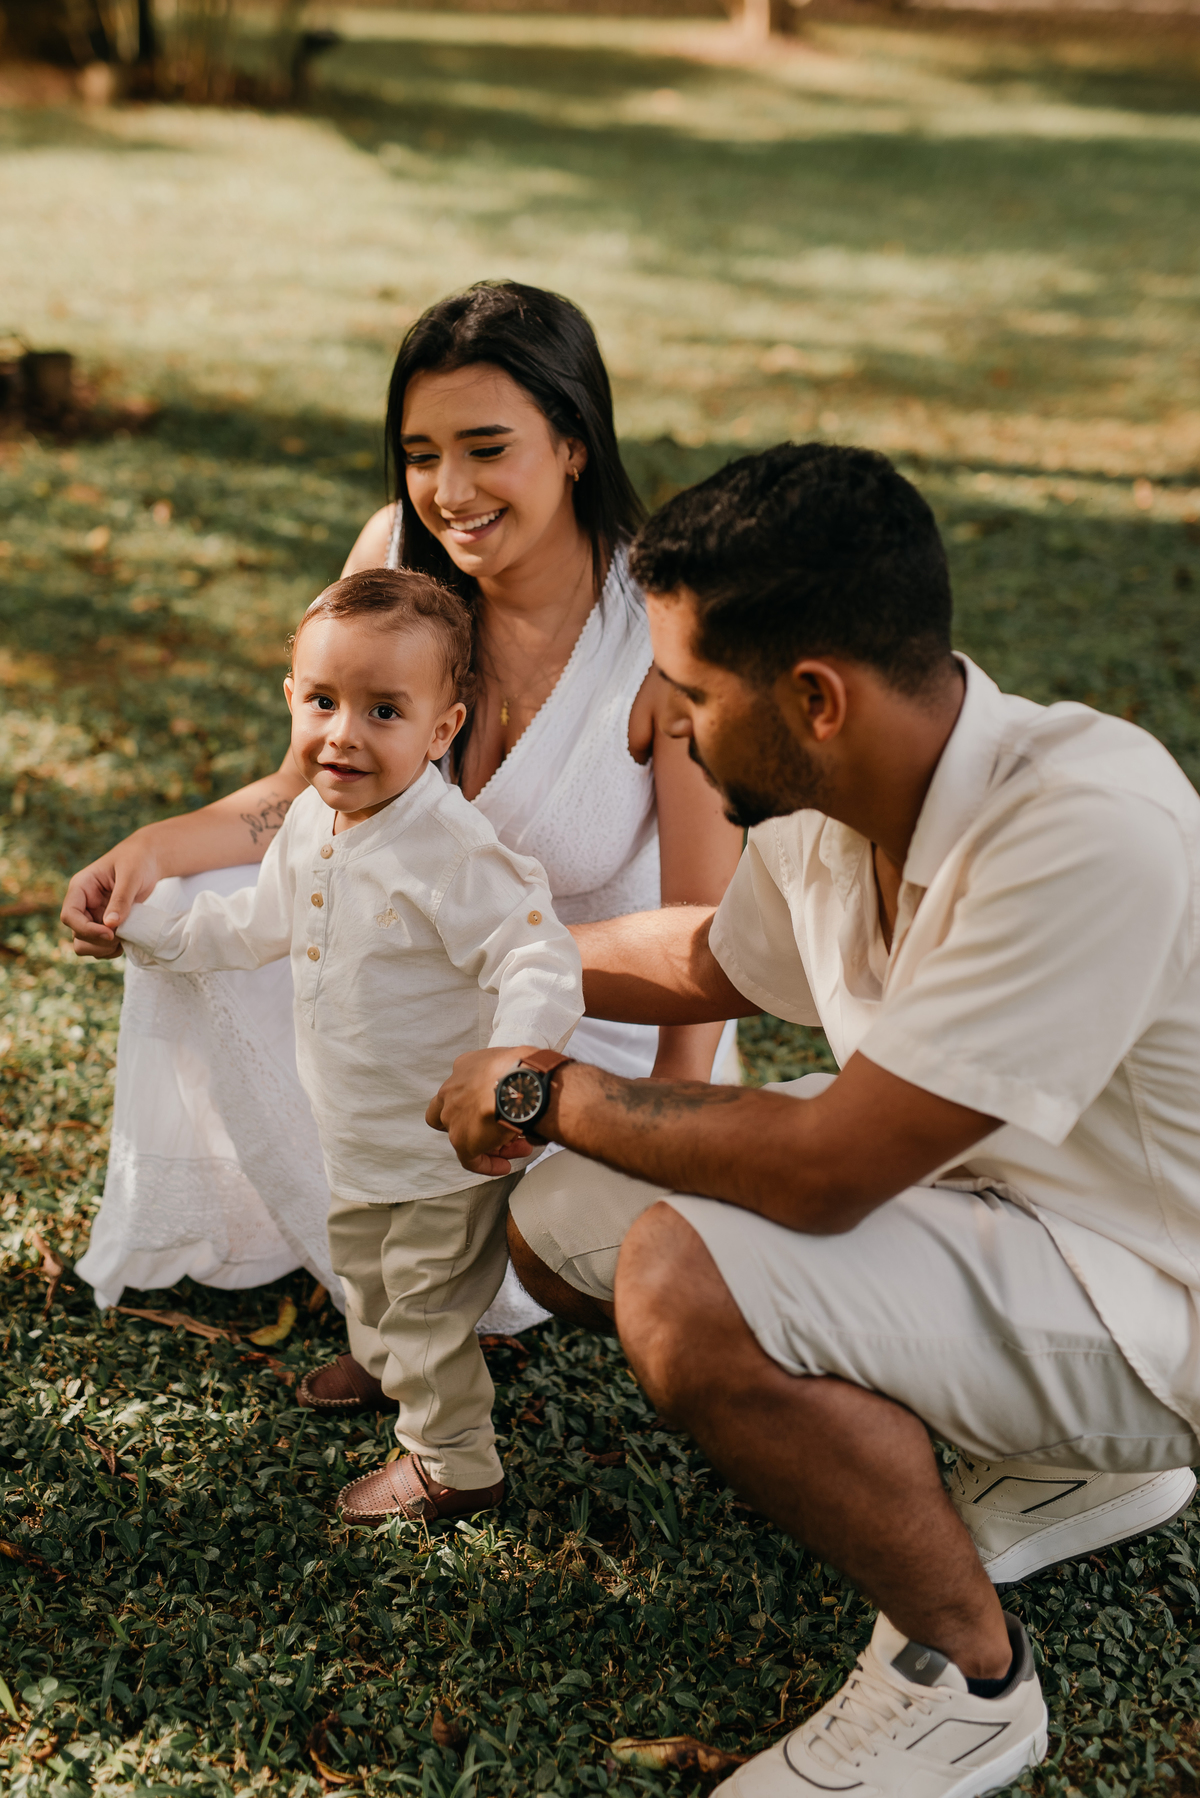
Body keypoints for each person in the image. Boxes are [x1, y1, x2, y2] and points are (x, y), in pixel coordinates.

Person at [429, 442, 1200, 1798]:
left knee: (679, 1281)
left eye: (688, 693)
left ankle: (967, 1682)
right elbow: (715, 960)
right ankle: (1062, 1464)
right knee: (559, 1219)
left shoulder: (1089, 826)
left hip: (1153, 1290)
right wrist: (496, 956)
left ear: (815, 698)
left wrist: (549, 1090)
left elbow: (827, 1171)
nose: (666, 724)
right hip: (987, 1200)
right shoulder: (827, 788)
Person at [60, 280, 741, 1337]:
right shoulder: (392, 554)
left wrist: (667, 1131)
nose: (449, 491)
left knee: (521, 1252)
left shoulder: (666, 630)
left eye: (486, 448)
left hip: (573, 1017)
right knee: (190, 901)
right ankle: (339, 1246)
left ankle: (446, 1272)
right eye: (422, 455)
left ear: (573, 444)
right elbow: (302, 792)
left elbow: (706, 935)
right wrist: (151, 849)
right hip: (401, 982)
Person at [112, 568, 583, 1524]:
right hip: (357, 1132)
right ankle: (380, 1361)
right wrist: (150, 929)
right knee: (363, 1270)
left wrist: (512, 1064)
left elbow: (536, 953)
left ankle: (455, 1464)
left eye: (384, 711)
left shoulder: (449, 849)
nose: (343, 734)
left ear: (442, 729)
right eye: (323, 701)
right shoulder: (313, 822)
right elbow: (255, 923)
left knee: (423, 1305)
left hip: (443, 1150)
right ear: (291, 697)